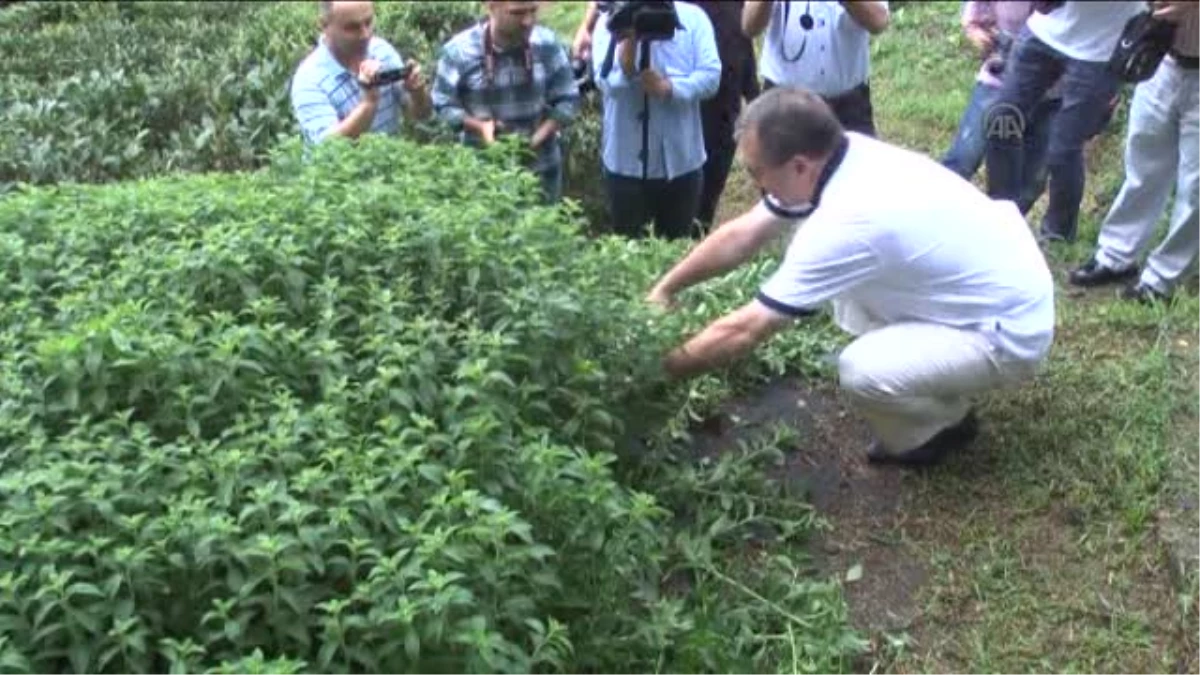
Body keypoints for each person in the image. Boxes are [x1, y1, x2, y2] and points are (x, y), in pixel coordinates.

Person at [646, 87, 1055, 466]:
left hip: (1009, 328)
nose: (756, 184)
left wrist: (657, 371)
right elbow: (744, 235)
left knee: (862, 370)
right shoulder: (845, 154)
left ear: (800, 165)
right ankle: (936, 379)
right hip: (1001, 272)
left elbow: (747, 329)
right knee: (849, 298)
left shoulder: (847, 222)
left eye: (756, 172)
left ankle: (942, 426)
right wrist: (667, 286)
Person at [1068, 0, 1200, 303]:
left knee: (1195, 187)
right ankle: (1116, 256)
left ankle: (1163, 278)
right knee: (1143, 164)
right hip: (1162, 58)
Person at [983, 0, 1143, 244]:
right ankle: (1000, 218)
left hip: (1101, 51)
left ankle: (1057, 236)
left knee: (1063, 150)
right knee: (1001, 118)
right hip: (1045, 31)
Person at [591, 1, 722, 239]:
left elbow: (711, 77)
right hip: (625, 166)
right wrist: (627, 44)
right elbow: (606, 84)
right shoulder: (609, 22)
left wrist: (670, 88)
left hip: (682, 164)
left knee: (676, 248)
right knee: (628, 250)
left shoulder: (694, 19)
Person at [433, 1, 580, 204]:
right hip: (481, 181)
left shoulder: (547, 44)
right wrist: (479, 126)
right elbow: (442, 104)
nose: (528, 21)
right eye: (517, 13)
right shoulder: (459, 52)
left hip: (541, 175)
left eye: (533, 11)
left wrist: (537, 137)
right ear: (491, 6)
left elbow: (568, 98)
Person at [942, 1, 1063, 214]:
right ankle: (932, 219)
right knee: (962, 160)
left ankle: (1000, 232)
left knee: (1030, 183)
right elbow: (974, 20)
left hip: (1055, 95)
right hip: (999, 81)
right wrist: (978, 33)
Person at [290, 0, 433, 145]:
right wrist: (369, 104)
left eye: (369, 22)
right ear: (324, 25)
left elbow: (421, 115)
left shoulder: (381, 51)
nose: (365, 34)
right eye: (352, 27)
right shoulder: (309, 80)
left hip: (389, 161)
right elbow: (327, 148)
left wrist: (418, 93)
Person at [741, 1, 889, 137]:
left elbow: (878, 22)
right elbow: (749, 26)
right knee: (777, 164)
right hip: (783, 104)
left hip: (847, 103)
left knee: (854, 164)